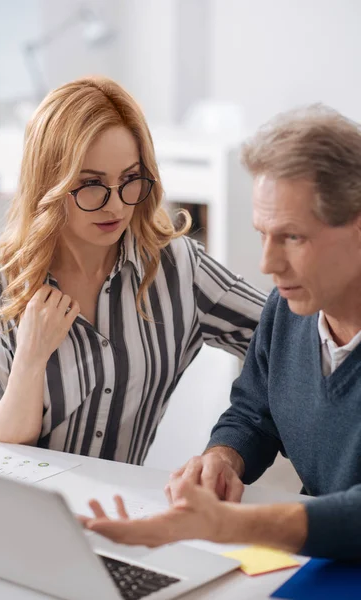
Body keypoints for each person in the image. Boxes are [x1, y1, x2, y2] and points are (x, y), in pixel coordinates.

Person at [81, 105, 361, 559]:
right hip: (321, 558)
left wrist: (227, 524)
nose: (268, 265)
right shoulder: (289, 309)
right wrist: (223, 457)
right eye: (262, 234)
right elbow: (255, 411)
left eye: (292, 237)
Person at [0, 76, 265, 463]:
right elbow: (2, 450)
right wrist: (32, 357)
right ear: (48, 184)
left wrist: (234, 440)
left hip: (121, 509)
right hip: (23, 508)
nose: (117, 206)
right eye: (91, 184)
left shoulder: (179, 268)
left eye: (129, 180)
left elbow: (287, 338)